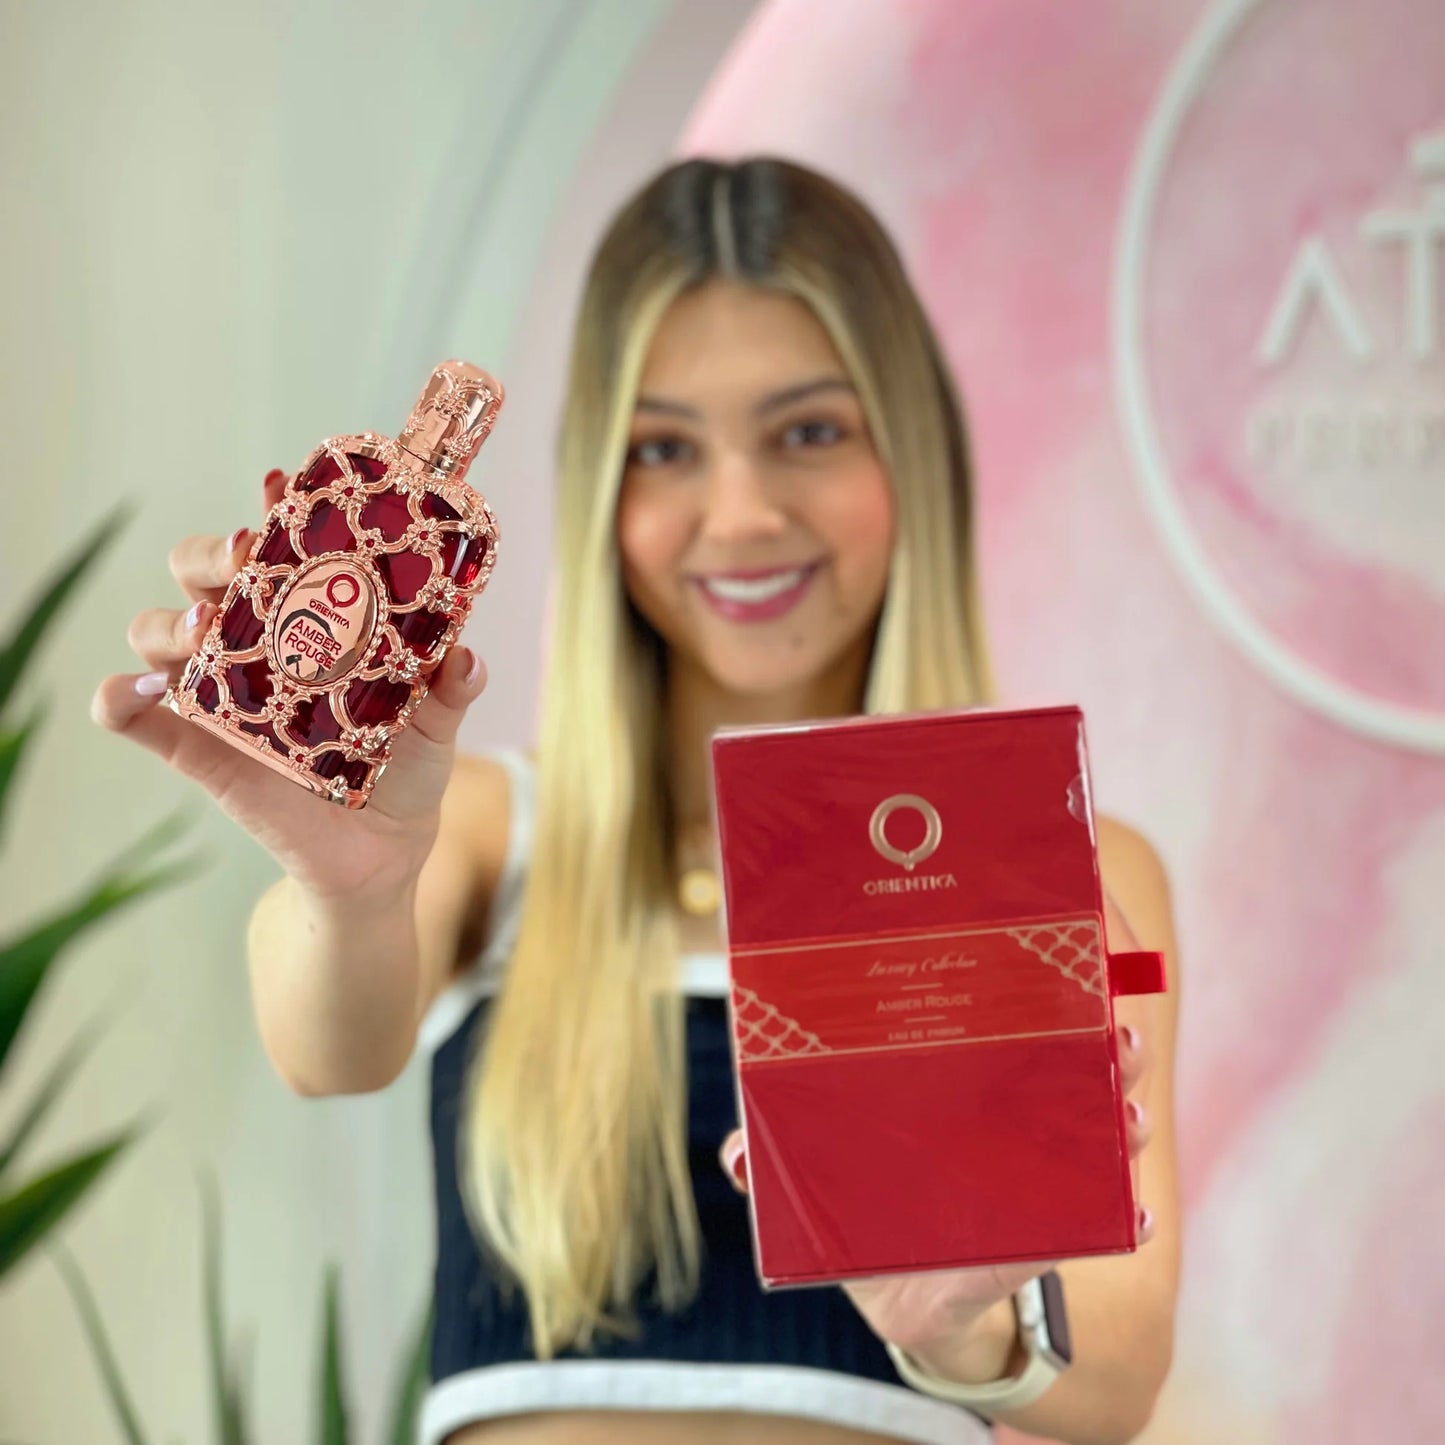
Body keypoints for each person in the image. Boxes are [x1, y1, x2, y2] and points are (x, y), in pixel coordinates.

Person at [93, 157, 1182, 1445]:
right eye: (665, 449)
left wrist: (963, 1332)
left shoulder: (1065, 863)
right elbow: (323, 1045)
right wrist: (344, 886)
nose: (740, 513)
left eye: (810, 431)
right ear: (601, 492)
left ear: (915, 458)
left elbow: (1114, 1374)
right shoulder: (495, 836)